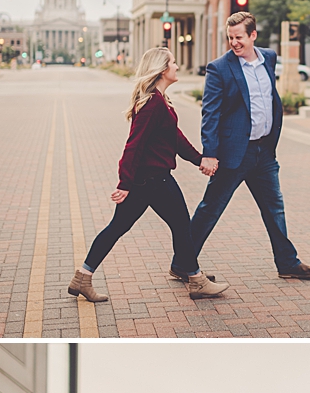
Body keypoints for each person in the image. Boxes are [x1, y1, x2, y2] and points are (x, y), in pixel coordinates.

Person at [69, 46, 227, 304]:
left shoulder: (159, 101)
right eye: (173, 63)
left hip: (147, 180)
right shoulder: (153, 103)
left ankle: (82, 277)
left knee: (118, 227)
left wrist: (199, 159)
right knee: (181, 226)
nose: (177, 66)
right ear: (163, 70)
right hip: (154, 180)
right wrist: (124, 183)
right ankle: (196, 280)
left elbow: (175, 139)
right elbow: (134, 144)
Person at [186, 10, 310, 283]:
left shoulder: (269, 58)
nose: (234, 43)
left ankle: (287, 263)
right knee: (211, 208)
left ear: (253, 35)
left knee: (275, 207)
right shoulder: (219, 68)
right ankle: (182, 262)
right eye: (230, 38)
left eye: (239, 38)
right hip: (234, 154)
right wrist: (210, 153)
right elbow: (210, 114)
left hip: (264, 152)